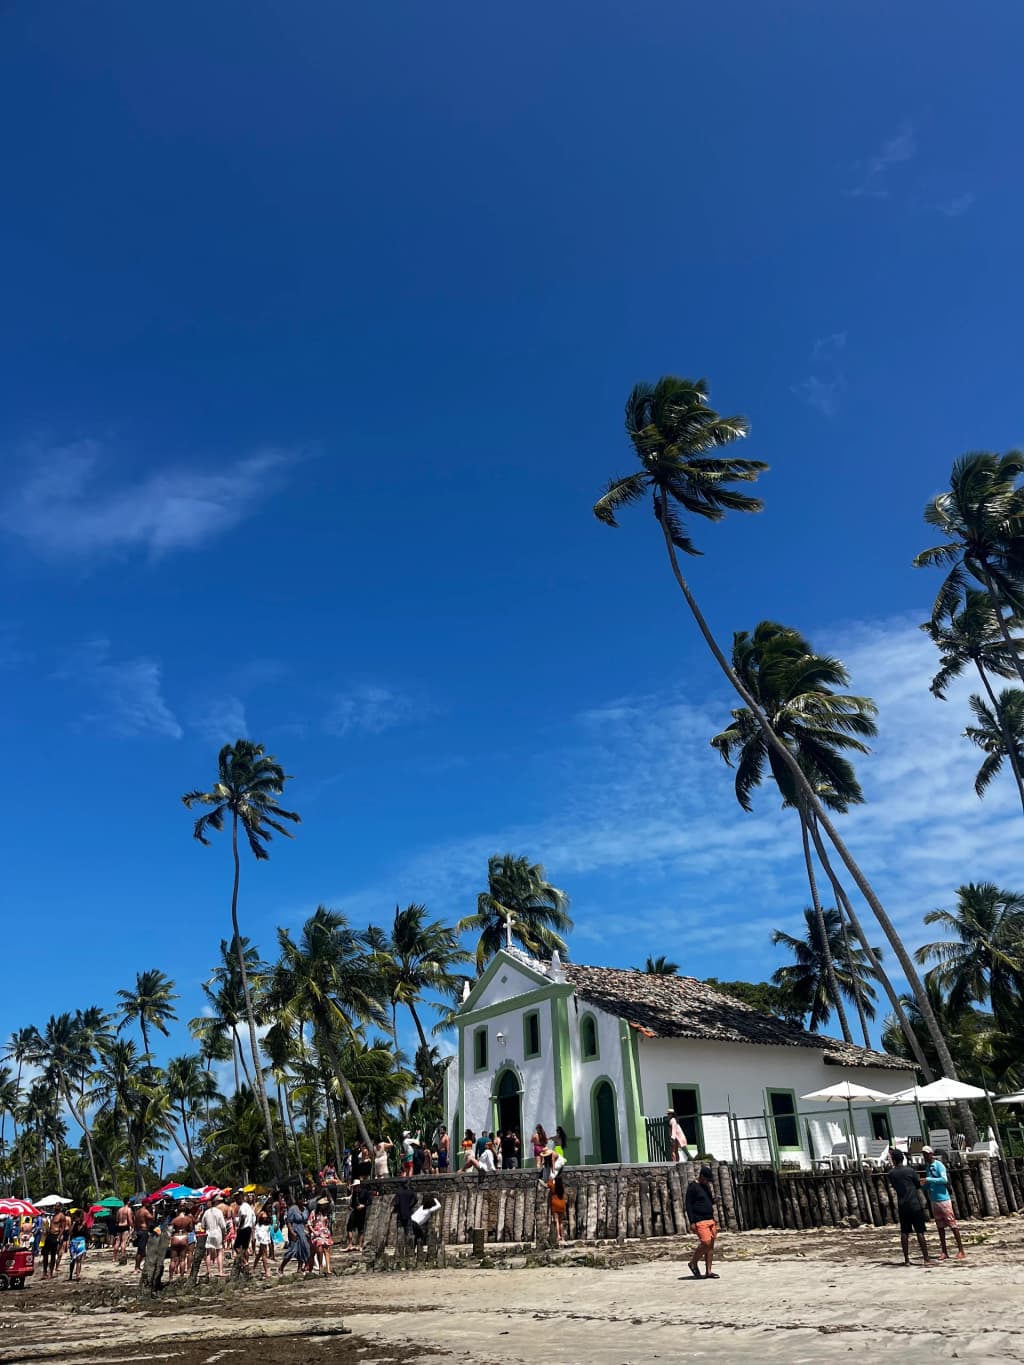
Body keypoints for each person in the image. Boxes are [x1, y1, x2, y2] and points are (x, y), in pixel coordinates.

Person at [888, 1148, 933, 1266]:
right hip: (914, 1204)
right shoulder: (910, 1171)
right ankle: (926, 1259)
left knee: (904, 1232)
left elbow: (894, 1186)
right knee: (920, 1232)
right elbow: (917, 1185)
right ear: (902, 1159)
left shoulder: (891, 1173)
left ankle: (907, 1259)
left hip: (902, 1205)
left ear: (893, 1160)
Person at [921, 1146, 965, 1260]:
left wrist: (929, 1180)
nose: (925, 1156)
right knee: (940, 1227)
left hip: (943, 1199)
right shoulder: (928, 1167)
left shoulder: (939, 1165)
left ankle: (961, 1250)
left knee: (952, 1225)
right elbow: (929, 1182)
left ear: (931, 1154)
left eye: (926, 1154)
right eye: (924, 1154)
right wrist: (923, 1185)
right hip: (934, 1199)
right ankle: (944, 1251)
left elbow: (944, 1179)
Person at [685, 1166, 719, 1280]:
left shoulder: (706, 1186)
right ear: (702, 1176)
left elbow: (709, 1199)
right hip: (699, 1219)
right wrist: (692, 1221)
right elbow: (688, 1204)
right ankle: (693, 1262)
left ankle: (708, 1271)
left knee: (711, 1246)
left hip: (710, 1218)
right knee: (706, 1242)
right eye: (706, 1179)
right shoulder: (693, 1187)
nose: (708, 1181)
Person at [278, 1194, 310, 1275]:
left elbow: (306, 1221)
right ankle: (281, 1267)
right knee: (293, 1250)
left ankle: (299, 1268)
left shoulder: (305, 1209)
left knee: (303, 1249)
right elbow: (288, 1222)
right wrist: (292, 1232)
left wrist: (308, 1231)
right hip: (295, 1230)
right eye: (301, 1200)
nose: (302, 1202)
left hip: (302, 1231)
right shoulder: (293, 1209)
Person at [202, 1198, 228, 1278]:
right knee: (219, 1252)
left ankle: (208, 1271)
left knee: (208, 1253)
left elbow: (203, 1225)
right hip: (218, 1233)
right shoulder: (219, 1212)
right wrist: (224, 1235)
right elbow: (223, 1226)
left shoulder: (206, 1212)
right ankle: (220, 1271)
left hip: (209, 1233)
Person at [170, 1202, 195, 1280]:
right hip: (184, 1236)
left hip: (176, 1237)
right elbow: (191, 1229)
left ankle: (170, 1277)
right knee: (182, 1259)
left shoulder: (174, 1220)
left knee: (173, 1259)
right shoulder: (188, 1219)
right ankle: (181, 1276)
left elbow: (170, 1230)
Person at [309, 1199, 333, 1276]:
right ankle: (320, 1266)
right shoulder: (313, 1212)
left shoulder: (326, 1213)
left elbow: (328, 1223)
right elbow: (309, 1224)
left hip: (325, 1232)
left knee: (327, 1249)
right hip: (317, 1233)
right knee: (319, 1248)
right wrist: (313, 1232)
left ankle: (328, 1269)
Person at [345, 1179, 369, 1253]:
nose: (355, 1188)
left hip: (362, 1212)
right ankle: (350, 1244)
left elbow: (369, 1201)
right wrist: (350, 1206)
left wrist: (363, 1205)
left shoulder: (365, 1192)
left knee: (360, 1229)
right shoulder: (355, 1193)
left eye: (356, 1187)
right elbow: (353, 1203)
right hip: (355, 1211)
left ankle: (360, 1245)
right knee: (349, 1227)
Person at [235, 1193, 256, 1273]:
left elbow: (243, 1217)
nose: (236, 1202)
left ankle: (245, 1262)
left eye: (236, 1200)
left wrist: (240, 1226)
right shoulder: (248, 1206)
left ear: (240, 1199)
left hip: (244, 1228)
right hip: (249, 1228)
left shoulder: (243, 1207)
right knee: (245, 1247)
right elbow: (254, 1217)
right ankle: (245, 1263)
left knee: (236, 1247)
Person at [546, 1170, 567, 1245]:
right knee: (561, 1222)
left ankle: (558, 1236)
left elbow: (548, 1184)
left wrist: (551, 1178)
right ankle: (563, 1237)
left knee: (557, 1221)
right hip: (562, 1204)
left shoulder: (553, 1187)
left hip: (555, 1204)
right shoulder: (562, 1187)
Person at [67, 1210, 88, 1282]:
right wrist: (74, 1224)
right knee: (73, 1259)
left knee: (78, 1259)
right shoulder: (74, 1223)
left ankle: (77, 1275)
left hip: (81, 1241)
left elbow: (86, 1234)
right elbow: (70, 1232)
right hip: (74, 1241)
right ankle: (70, 1275)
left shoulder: (84, 1223)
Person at [133, 1202, 154, 1274]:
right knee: (141, 1250)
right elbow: (152, 1218)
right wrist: (154, 1210)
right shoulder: (145, 1211)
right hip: (143, 1231)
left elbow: (135, 1222)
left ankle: (138, 1266)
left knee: (142, 1250)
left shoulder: (137, 1211)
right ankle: (137, 1267)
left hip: (139, 1230)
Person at [252, 1211, 273, 1278]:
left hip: (265, 1240)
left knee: (259, 1255)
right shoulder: (259, 1226)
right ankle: (266, 1270)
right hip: (262, 1241)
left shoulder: (266, 1225)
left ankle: (253, 1268)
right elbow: (259, 1234)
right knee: (264, 1255)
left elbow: (268, 1233)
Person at [114, 1197, 134, 1263]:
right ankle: (123, 1255)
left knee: (117, 1242)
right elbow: (130, 1219)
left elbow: (116, 1219)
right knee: (123, 1242)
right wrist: (132, 1226)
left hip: (119, 1226)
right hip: (125, 1226)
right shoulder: (128, 1209)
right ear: (128, 1202)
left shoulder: (119, 1210)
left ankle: (114, 1257)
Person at [41, 1213, 60, 1279]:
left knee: (52, 1255)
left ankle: (50, 1272)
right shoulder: (46, 1220)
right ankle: (45, 1272)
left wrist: (59, 1237)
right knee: (45, 1255)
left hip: (53, 1237)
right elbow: (44, 1231)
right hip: (47, 1237)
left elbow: (62, 1228)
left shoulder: (60, 1217)